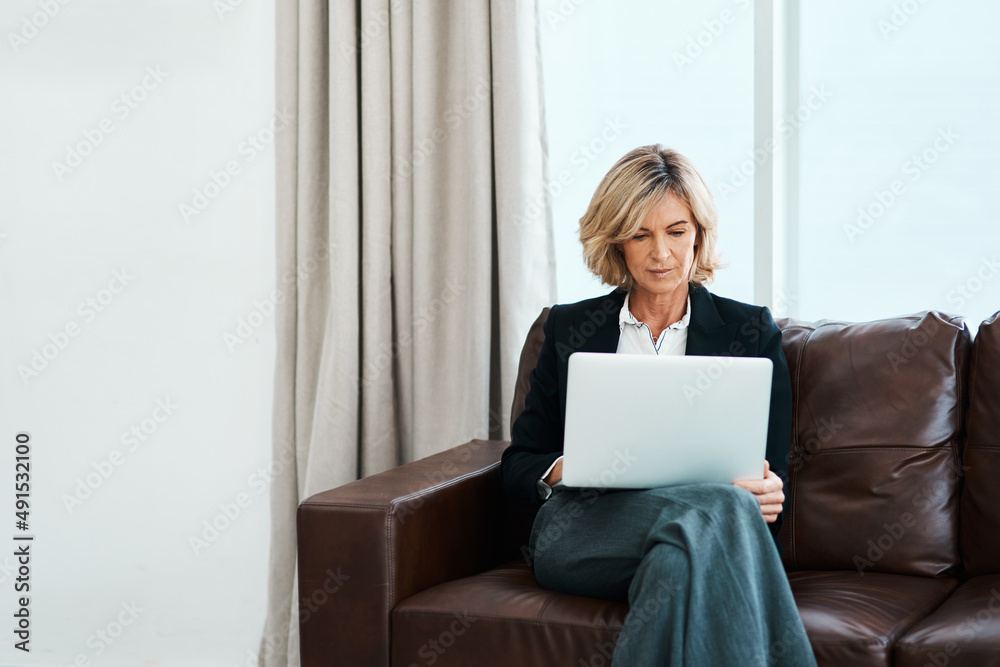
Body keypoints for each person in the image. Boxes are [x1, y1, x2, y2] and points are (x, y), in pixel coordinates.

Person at [499, 145, 817, 666]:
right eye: (640, 234)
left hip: (706, 532)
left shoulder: (750, 331)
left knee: (678, 564)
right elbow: (517, 465)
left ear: (698, 233)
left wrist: (767, 491)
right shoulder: (568, 328)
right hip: (583, 530)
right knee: (725, 509)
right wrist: (566, 467)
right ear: (617, 242)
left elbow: (768, 476)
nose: (661, 254)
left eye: (675, 231)